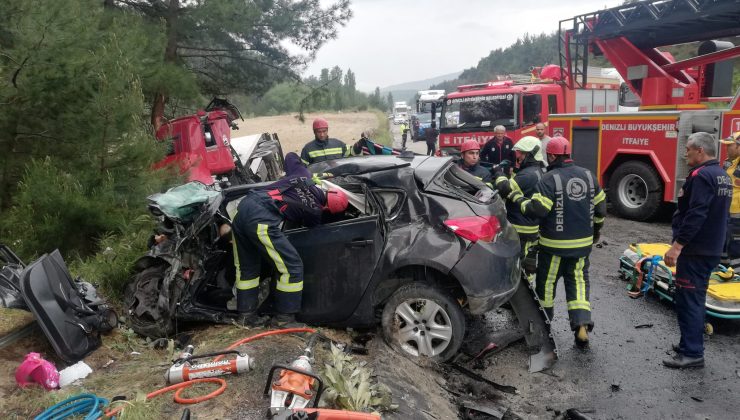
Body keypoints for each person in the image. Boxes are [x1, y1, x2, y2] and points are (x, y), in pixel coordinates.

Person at [497, 136, 606, 347]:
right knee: (579, 284)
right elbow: (600, 210)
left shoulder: (549, 179)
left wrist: (518, 199)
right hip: (582, 246)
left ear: (553, 155)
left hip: (553, 246)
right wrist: (596, 231)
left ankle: (543, 327)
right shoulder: (588, 175)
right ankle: (582, 325)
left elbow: (537, 210)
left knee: (546, 285)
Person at [231, 152, 349, 327]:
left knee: (247, 269)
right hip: (260, 219)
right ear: (327, 209)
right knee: (292, 267)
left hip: (242, 211)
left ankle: (246, 316)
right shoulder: (316, 212)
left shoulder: (302, 176)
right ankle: (284, 320)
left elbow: (291, 157)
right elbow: (311, 227)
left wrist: (307, 176)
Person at [662, 132, 732, 369]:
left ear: (700, 150)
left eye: (689, 149)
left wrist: (677, 246)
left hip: (695, 250)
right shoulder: (722, 175)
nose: (686, 153)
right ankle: (688, 344)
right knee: (695, 297)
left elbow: (696, 213)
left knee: (689, 299)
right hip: (710, 248)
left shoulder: (702, 176)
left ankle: (692, 353)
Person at [493, 136, 546, 257]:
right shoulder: (537, 170)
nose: (518, 156)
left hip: (521, 228)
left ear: (531, 154)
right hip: (529, 226)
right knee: (529, 263)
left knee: (519, 263)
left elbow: (504, 189)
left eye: (522, 153)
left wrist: (499, 173)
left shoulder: (528, 175)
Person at [720, 131, 740, 271]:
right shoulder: (728, 162)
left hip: (737, 214)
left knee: (736, 245)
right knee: (723, 242)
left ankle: (738, 274)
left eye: (730, 145)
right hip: (727, 211)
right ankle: (723, 268)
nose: (727, 148)